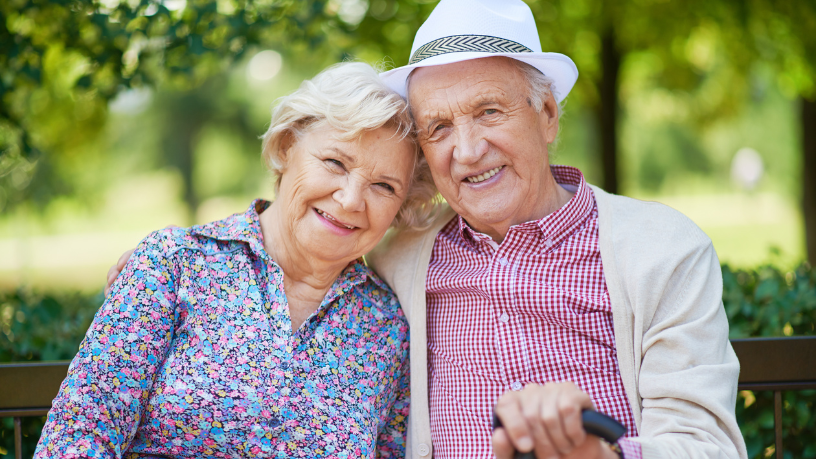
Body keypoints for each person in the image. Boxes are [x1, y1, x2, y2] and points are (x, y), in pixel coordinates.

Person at [107, 1, 748, 458]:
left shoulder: (661, 249)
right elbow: (309, 235)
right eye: (438, 128)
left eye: (489, 111)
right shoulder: (404, 255)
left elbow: (709, 444)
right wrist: (165, 268)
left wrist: (603, 457)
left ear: (546, 113)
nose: (466, 152)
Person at [36, 62, 439, 458]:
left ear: (403, 203)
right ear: (287, 146)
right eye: (335, 162)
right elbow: (78, 436)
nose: (351, 200)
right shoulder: (174, 264)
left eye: (383, 186)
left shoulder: (386, 324)